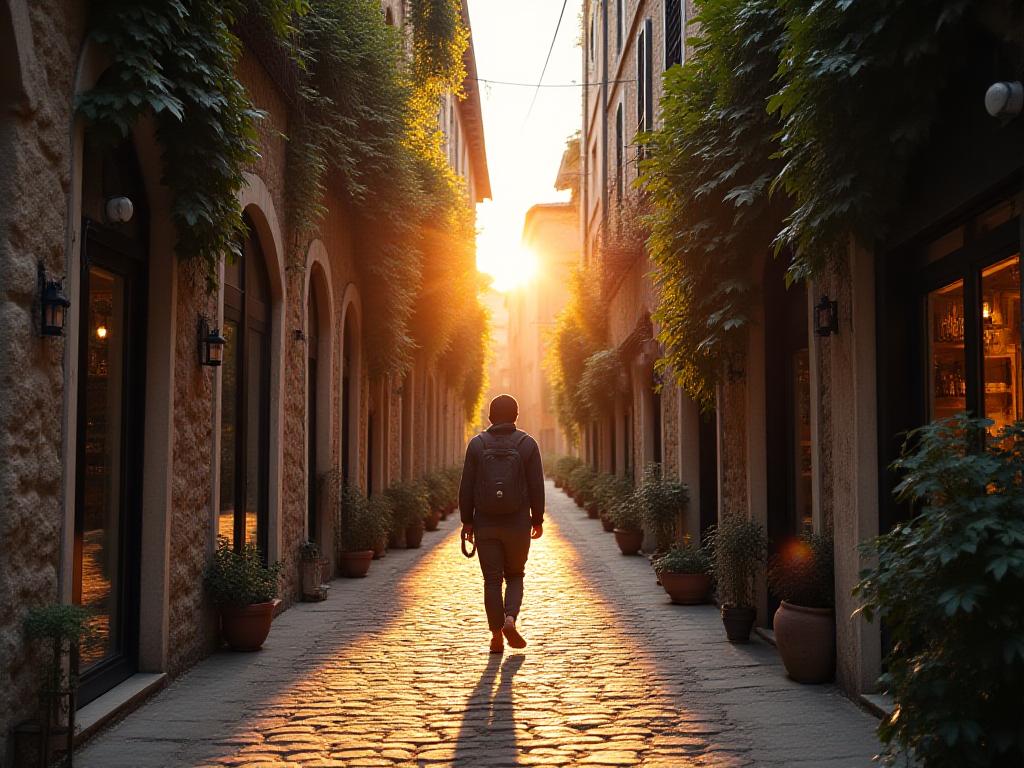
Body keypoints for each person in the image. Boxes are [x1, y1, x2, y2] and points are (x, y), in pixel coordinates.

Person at [459, 394, 544, 653]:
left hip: (485, 523)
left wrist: (467, 522)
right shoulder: (527, 445)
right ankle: (510, 619)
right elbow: (536, 487)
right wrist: (537, 519)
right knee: (515, 575)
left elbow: (466, 488)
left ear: (490, 416)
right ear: (516, 416)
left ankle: (496, 636)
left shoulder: (477, 445)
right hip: (518, 523)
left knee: (492, 580)